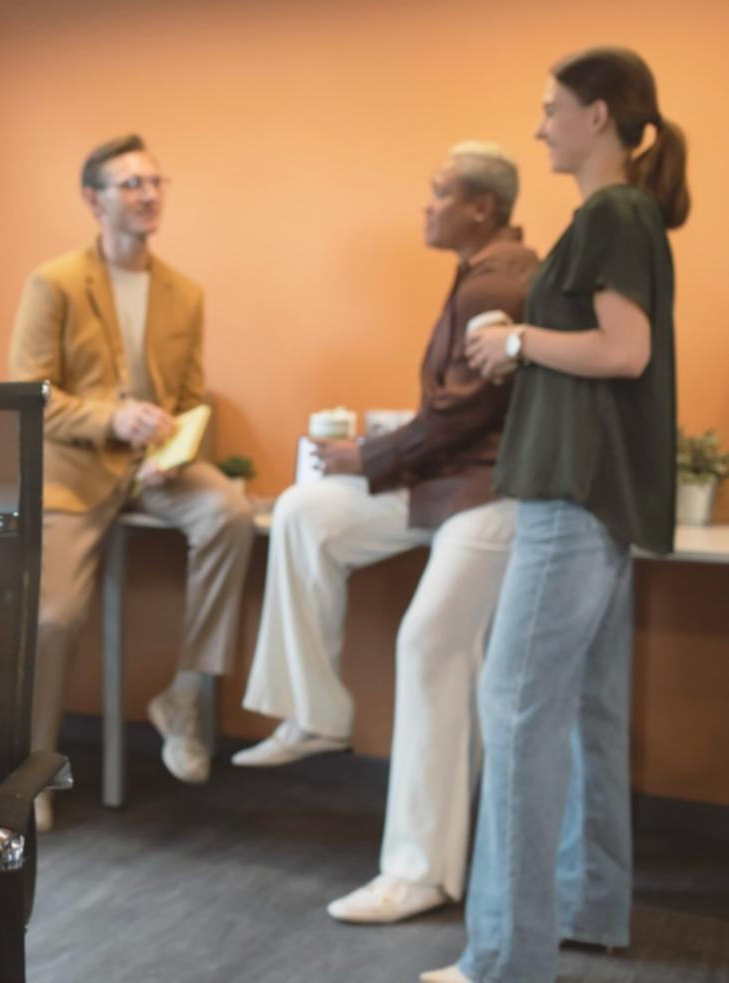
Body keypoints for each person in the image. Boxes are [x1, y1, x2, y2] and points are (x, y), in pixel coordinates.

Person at [423, 47, 688, 983]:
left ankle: (504, 956)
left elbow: (624, 350)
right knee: (584, 709)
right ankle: (586, 909)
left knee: (520, 710)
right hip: (599, 499)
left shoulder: (613, 212)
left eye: (551, 109)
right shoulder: (625, 214)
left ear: (601, 116)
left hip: (570, 498)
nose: (539, 126)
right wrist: (528, 347)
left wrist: (517, 337)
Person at [233, 143, 539, 924]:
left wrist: (363, 455)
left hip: (490, 494)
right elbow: (453, 418)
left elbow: (460, 415)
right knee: (306, 511)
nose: (425, 205)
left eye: (438, 193)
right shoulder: (477, 273)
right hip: (445, 482)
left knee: (430, 646)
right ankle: (316, 711)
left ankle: (419, 870)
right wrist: (362, 465)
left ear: (480, 206)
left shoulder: (499, 281)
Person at [9, 133, 255, 831]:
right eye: (131, 184)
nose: (148, 195)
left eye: (155, 182)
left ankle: (184, 692)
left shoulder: (186, 292)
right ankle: (31, 774)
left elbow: (190, 393)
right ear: (94, 199)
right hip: (76, 471)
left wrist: (177, 444)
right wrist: (114, 420)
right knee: (53, 616)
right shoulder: (53, 281)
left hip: (158, 468)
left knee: (230, 512)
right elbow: (31, 393)